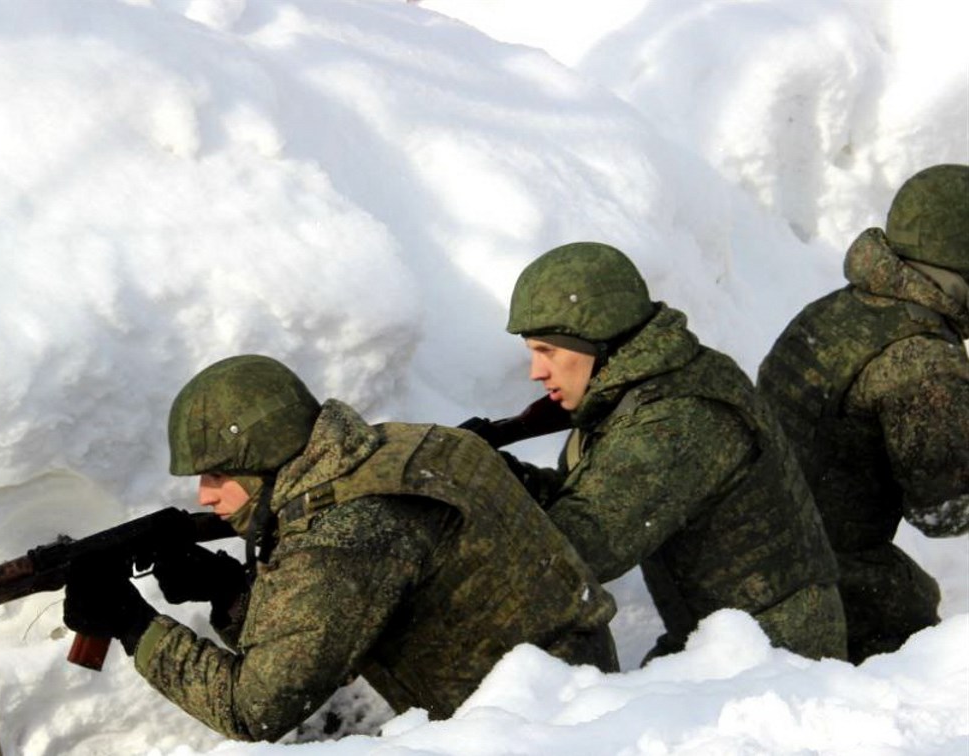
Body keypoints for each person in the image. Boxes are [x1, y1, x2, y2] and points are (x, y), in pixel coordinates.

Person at [62, 354, 618, 742]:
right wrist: (229, 592)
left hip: (533, 731)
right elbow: (334, 624)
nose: (204, 496)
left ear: (265, 460)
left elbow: (252, 709)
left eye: (217, 474)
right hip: (570, 688)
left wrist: (134, 625)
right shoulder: (393, 448)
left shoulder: (344, 534)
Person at [475, 241, 847, 663]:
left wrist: (479, 496)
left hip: (774, 653)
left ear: (598, 340)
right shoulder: (647, 386)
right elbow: (584, 493)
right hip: (723, 637)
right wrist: (508, 477)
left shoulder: (677, 418)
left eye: (548, 351)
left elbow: (580, 549)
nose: (536, 372)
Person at [756, 164, 969, 664]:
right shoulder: (922, 359)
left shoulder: (841, 309)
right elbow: (943, 510)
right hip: (813, 585)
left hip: (755, 554)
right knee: (924, 651)